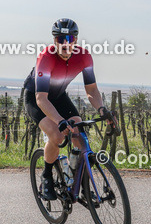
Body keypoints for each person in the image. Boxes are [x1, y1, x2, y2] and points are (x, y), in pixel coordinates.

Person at [24, 19, 117, 201]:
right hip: (37, 98)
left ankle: (80, 183)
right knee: (57, 136)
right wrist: (60, 121)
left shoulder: (84, 56)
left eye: (70, 38)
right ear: (54, 41)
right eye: (61, 39)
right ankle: (47, 175)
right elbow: (41, 99)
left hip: (58, 97)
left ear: (75, 39)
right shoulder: (46, 57)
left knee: (80, 136)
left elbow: (91, 91)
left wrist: (102, 110)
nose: (66, 43)